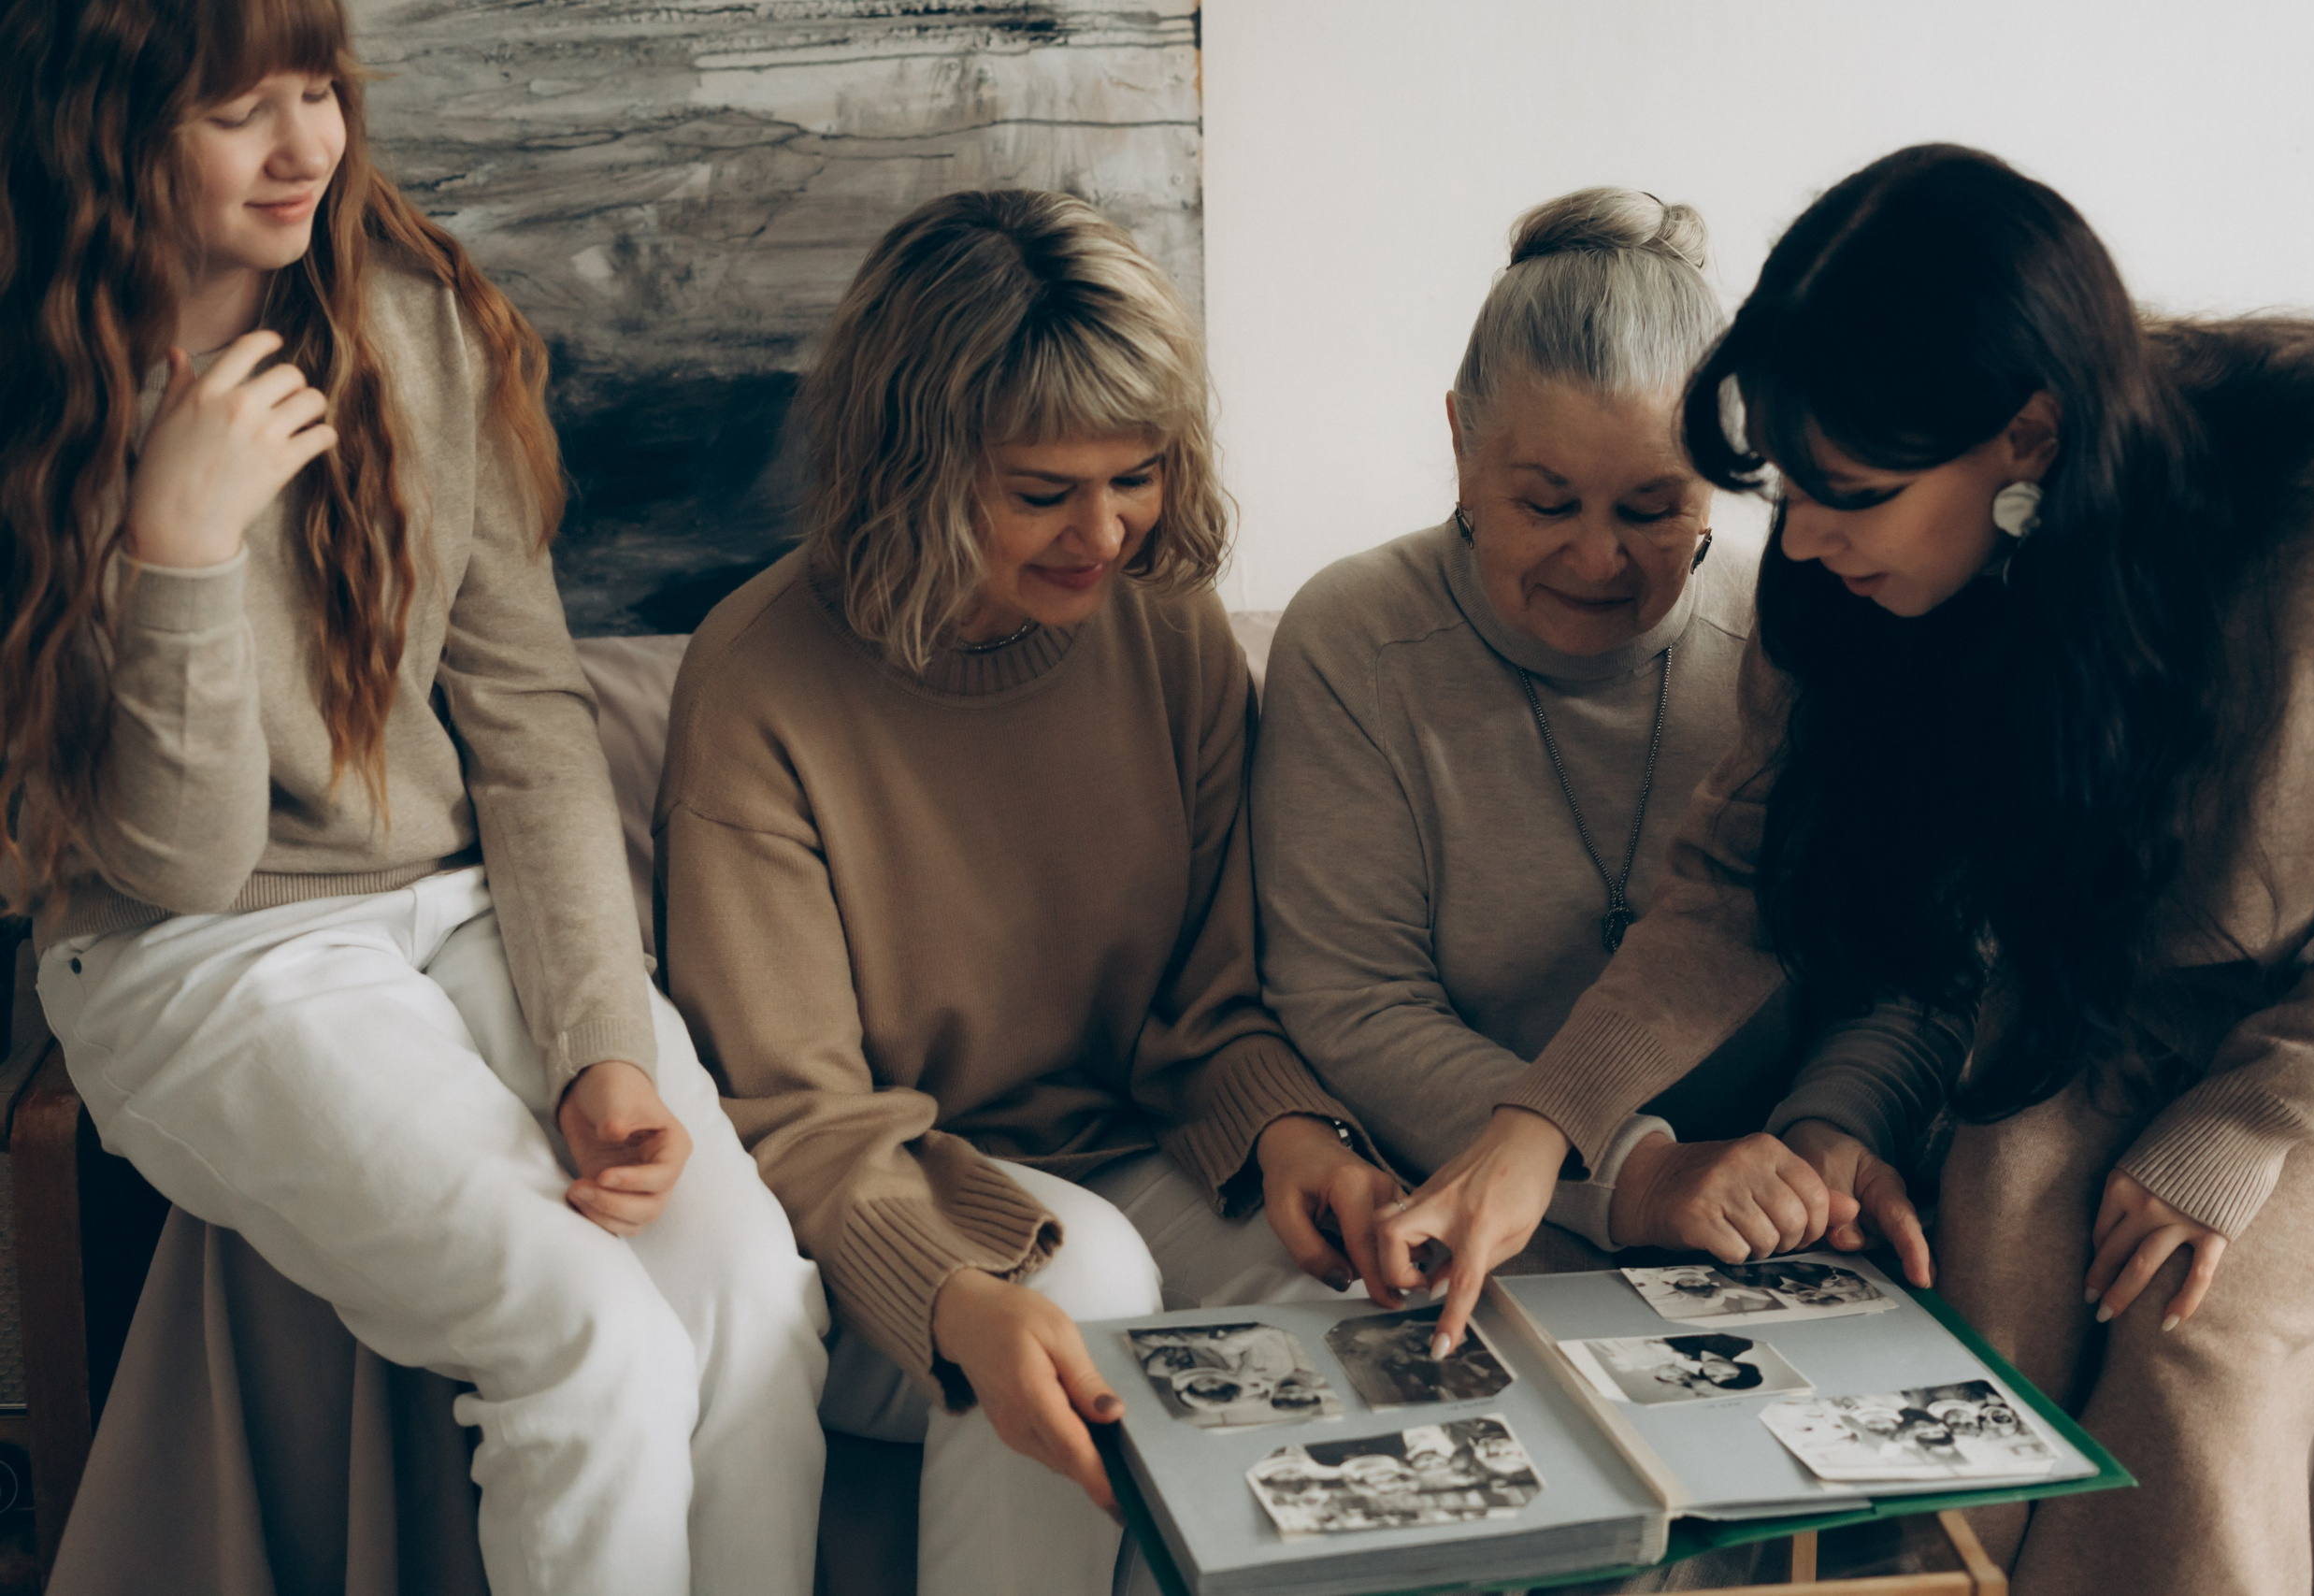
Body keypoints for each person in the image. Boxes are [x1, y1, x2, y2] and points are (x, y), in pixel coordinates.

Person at [1380, 143, 2314, 1596]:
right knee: (1989, 1231)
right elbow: (1740, 878)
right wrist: (1536, 1129)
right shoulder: (1859, 584)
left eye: (1847, 492)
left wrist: (2244, 1120)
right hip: (2114, 1007)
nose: (1801, 536)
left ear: (2029, 439)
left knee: (2192, 1325)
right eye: (1790, 486)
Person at [2, 2, 828, 1594]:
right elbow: (179, 868)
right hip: (193, 956)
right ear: (100, 125)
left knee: (751, 1307)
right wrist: (174, 546)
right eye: (238, 110)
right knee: (592, 1349)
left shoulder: (413, 321)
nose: (307, 145)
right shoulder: (37, 395)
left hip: (444, 904)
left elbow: (529, 723)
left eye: (318, 90)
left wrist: (600, 1035)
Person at [654, 188, 1398, 1596]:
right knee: (1088, 1286)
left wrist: (1297, 1137)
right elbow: (797, 1115)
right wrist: (955, 1292)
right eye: (1044, 491)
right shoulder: (760, 681)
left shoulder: (1165, 625)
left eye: (1138, 473)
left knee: (1352, 1293)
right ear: (910, 469)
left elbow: (1210, 997)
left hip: (1128, 1157)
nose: (1106, 532)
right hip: (884, 1227)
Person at [1257, 188, 1841, 1274]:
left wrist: (1832, 1137)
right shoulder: (1355, 637)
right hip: (1473, 1193)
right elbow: (1352, 999)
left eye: (1651, 510)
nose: (1596, 561)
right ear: (1460, 446)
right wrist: (1635, 1175)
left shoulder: (1801, 623)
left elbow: (1886, 950)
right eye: (1546, 503)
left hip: (1776, 1206)